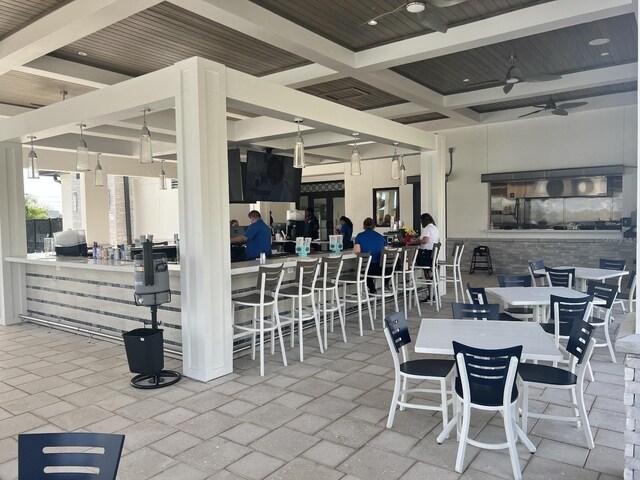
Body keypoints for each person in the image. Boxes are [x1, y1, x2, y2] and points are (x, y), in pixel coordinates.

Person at [354, 217, 386, 294]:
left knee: (365, 268)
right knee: (368, 268)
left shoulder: (360, 236)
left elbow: (357, 252)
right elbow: (386, 251)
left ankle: (372, 288)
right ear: (374, 226)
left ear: (364, 226)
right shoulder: (380, 236)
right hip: (381, 269)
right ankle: (384, 284)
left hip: (367, 269)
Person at [417, 213, 440, 301]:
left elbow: (425, 240)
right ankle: (431, 293)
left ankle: (409, 278)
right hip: (433, 257)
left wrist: (417, 241)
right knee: (428, 273)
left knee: (411, 261)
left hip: (426, 256)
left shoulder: (427, 228)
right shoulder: (435, 228)